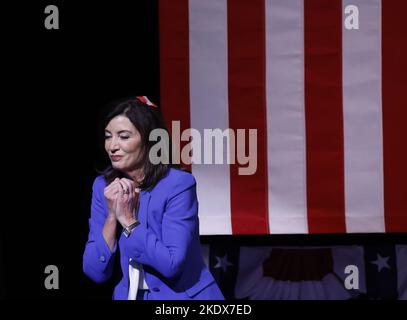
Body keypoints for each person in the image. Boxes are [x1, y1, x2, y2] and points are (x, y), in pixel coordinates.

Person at [83, 96, 225, 300]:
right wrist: (113, 216)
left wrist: (129, 221)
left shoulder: (178, 185)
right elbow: (95, 271)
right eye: (108, 136)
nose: (112, 146)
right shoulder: (103, 187)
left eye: (123, 136)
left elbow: (172, 265)